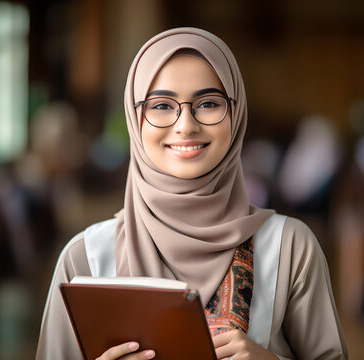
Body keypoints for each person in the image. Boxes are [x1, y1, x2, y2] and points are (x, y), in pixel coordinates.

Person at [36, 27, 347, 360]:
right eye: (162, 105)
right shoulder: (85, 259)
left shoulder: (290, 248)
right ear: (135, 118)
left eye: (209, 103)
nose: (186, 124)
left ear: (236, 113)